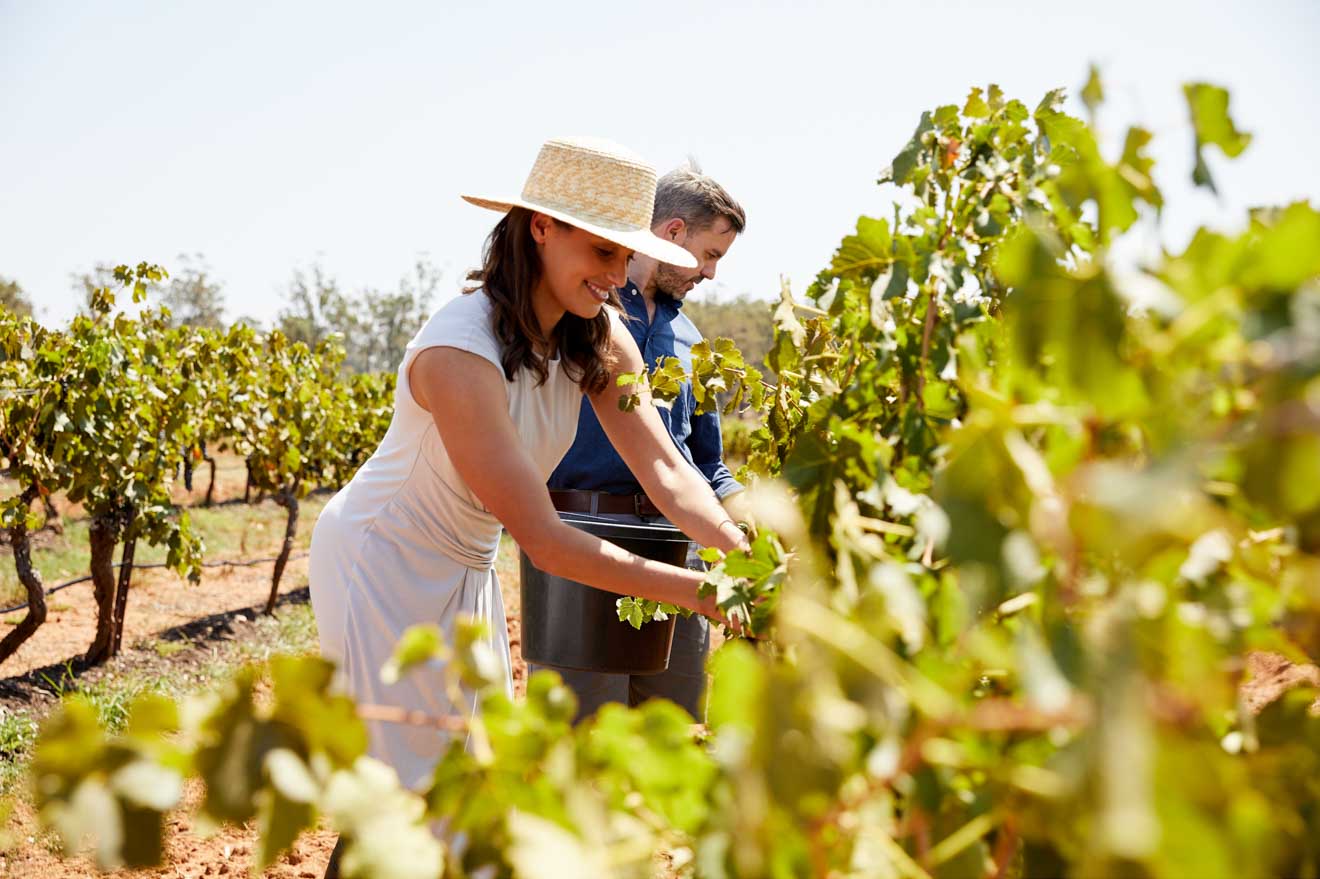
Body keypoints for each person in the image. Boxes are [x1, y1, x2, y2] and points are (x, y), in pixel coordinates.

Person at [307, 136, 749, 803]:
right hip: (383, 560)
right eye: (604, 250)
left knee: (474, 788)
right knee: (400, 795)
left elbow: (665, 466)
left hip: (469, 564)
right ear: (541, 227)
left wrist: (744, 553)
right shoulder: (460, 350)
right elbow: (542, 538)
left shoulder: (598, 335)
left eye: (625, 254)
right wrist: (700, 592)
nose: (616, 271)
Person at [537, 162, 748, 723]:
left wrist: (749, 522)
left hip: (681, 549)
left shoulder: (694, 342)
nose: (709, 273)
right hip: (581, 544)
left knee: (674, 728)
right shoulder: (582, 314)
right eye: (710, 254)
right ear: (673, 233)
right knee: (585, 737)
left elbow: (705, 464)